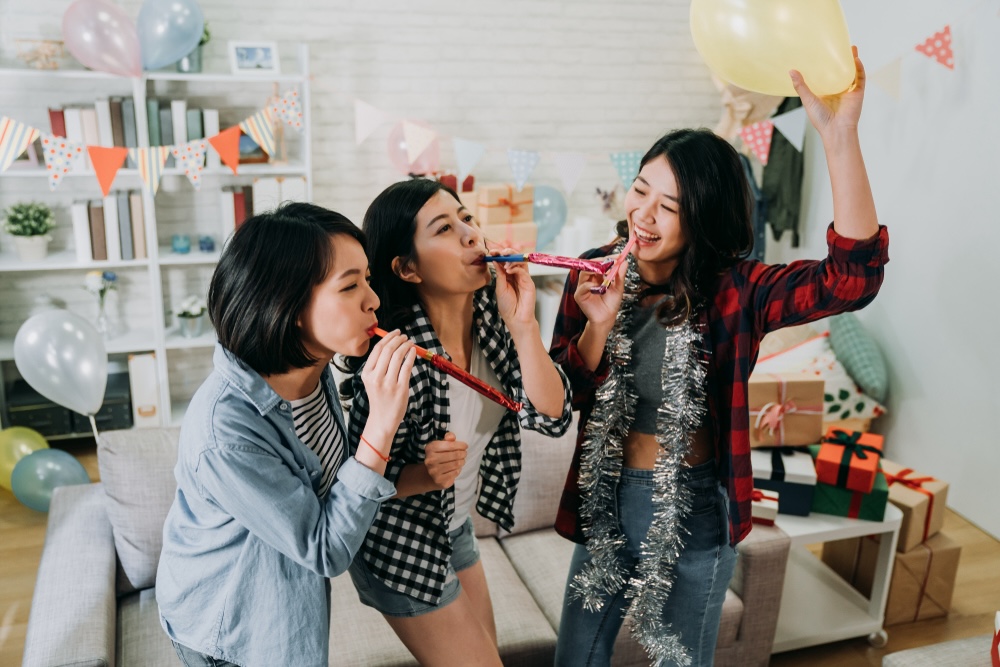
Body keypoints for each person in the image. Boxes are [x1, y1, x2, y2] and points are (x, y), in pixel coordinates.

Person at [551, 49, 887, 667]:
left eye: (669, 207)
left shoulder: (737, 291)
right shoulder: (595, 271)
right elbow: (560, 395)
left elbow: (852, 280)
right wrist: (597, 327)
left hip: (695, 504)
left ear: (701, 220)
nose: (643, 216)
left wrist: (840, 140)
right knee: (575, 659)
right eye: (640, 190)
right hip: (605, 498)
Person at [156, 202, 417, 667]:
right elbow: (324, 548)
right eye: (350, 285)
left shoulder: (312, 373)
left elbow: (332, 487)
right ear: (290, 305)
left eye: (369, 279)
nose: (373, 300)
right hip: (228, 635)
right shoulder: (226, 432)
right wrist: (381, 424)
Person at [344, 178, 573, 666]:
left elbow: (552, 420)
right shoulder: (396, 357)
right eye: (444, 228)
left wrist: (525, 326)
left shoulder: (494, 321)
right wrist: (424, 474)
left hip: (455, 525)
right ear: (407, 268)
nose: (471, 234)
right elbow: (357, 485)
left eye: (466, 218)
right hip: (399, 541)